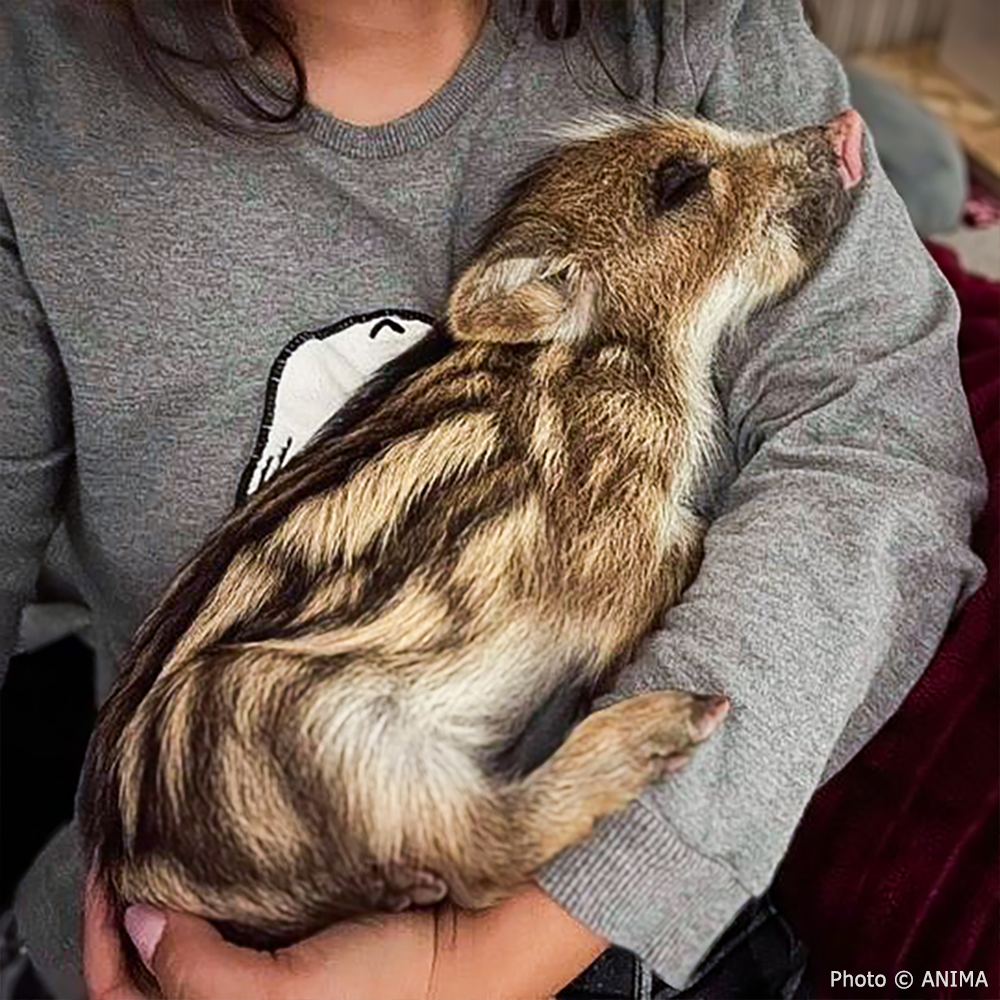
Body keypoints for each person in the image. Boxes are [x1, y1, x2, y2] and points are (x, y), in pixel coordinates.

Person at [0, 0, 986, 997]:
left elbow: (879, 448)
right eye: (685, 186)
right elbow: (618, 585)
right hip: (193, 913)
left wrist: (488, 956)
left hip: (603, 922)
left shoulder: (691, 32)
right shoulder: (33, 109)